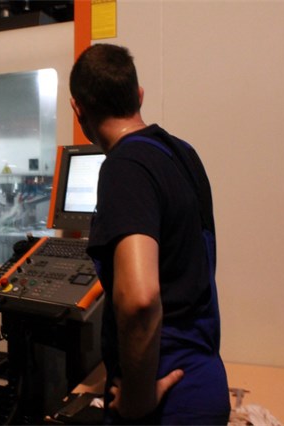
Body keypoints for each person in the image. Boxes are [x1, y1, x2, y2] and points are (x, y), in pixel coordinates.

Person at [69, 44, 231, 424]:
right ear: (138, 96)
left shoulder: (124, 166)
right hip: (205, 379)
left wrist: (138, 397)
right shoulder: (182, 153)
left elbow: (140, 299)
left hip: (165, 397)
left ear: (78, 110)